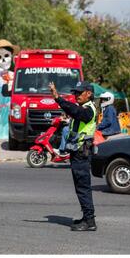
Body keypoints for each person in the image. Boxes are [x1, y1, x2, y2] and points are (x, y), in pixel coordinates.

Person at [50, 80, 97, 231]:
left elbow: (74, 111)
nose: (76, 95)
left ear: (88, 93)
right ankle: (86, 217)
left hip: (82, 153)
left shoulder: (88, 110)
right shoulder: (83, 107)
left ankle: (90, 221)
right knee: (80, 187)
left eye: (79, 92)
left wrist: (58, 98)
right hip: (78, 152)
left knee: (83, 187)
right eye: (75, 93)